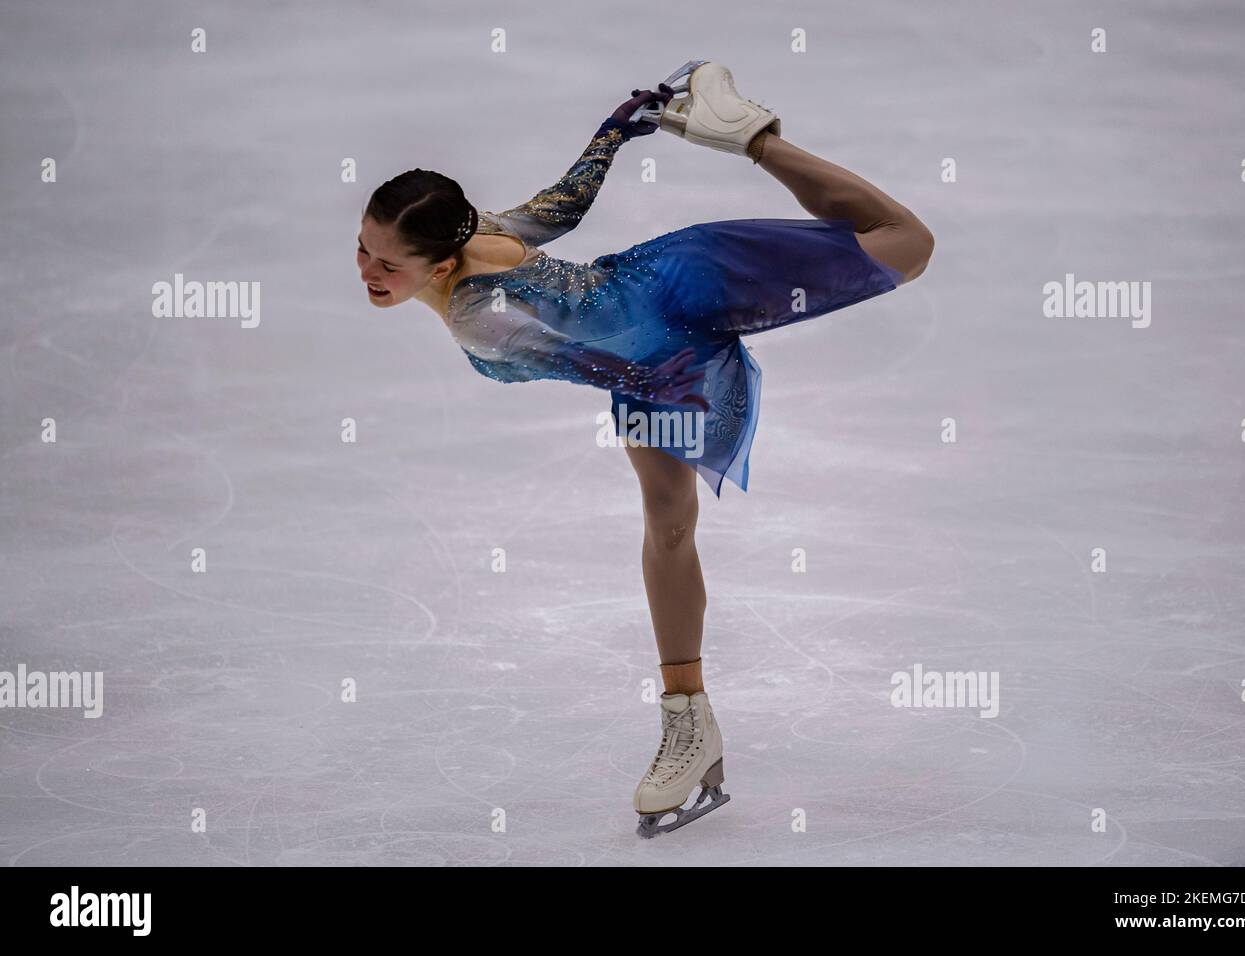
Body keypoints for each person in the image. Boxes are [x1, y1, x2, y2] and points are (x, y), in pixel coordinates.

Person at [356, 61, 934, 837]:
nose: (368, 272)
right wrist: (613, 135)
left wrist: (665, 380)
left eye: (387, 262)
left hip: (677, 293)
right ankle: (688, 723)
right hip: (649, 348)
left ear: (445, 258)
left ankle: (752, 139)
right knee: (668, 521)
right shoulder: (471, 243)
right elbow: (566, 239)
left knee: (906, 243)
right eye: (363, 249)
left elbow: (577, 334)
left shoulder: (476, 315)